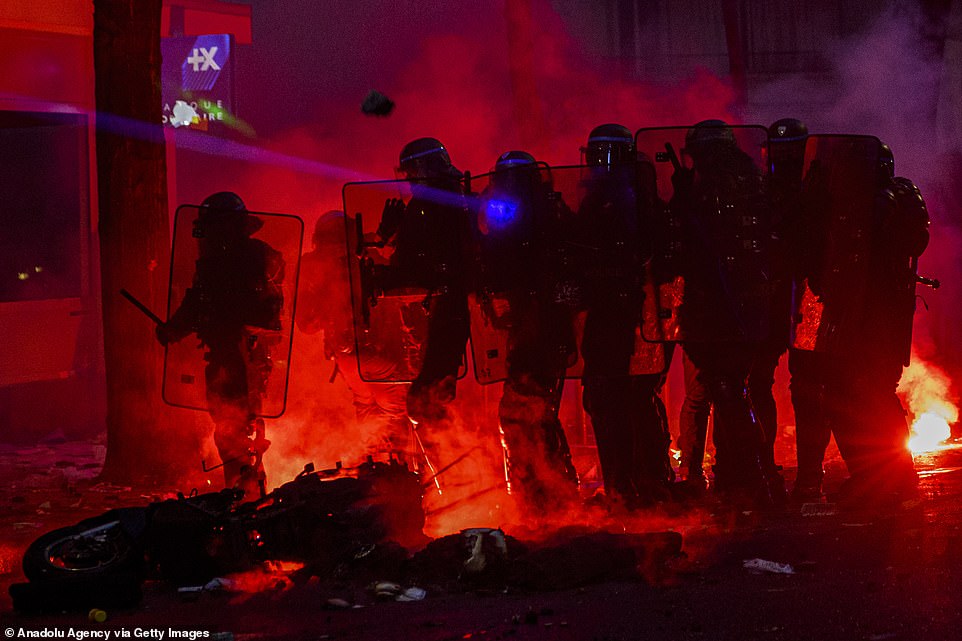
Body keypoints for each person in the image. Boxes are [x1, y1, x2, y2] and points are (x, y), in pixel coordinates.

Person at [793, 140, 928, 508]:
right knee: (872, 395)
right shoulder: (901, 197)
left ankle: (879, 478)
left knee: (858, 395)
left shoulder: (878, 202)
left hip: (868, 316)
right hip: (879, 316)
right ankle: (890, 476)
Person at [668, 120, 777, 506]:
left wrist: (682, 201)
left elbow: (689, 245)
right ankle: (746, 477)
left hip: (718, 308)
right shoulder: (757, 184)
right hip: (747, 308)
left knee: (726, 392)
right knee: (731, 390)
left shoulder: (711, 190)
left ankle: (753, 481)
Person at [156, 192, 284, 500]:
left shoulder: (255, 257)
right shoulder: (222, 263)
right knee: (231, 427)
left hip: (243, 357)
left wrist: (181, 326)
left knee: (233, 427)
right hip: (230, 358)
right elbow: (197, 303)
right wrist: (174, 329)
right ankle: (243, 492)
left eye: (214, 227)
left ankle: (244, 495)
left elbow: (261, 307)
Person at [475, 150, 579, 513]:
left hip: (533, 333)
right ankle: (559, 495)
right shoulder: (554, 211)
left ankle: (537, 502)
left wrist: (478, 227)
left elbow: (498, 264)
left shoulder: (513, 217)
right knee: (540, 414)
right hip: (550, 330)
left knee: (519, 415)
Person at [578, 124, 674, 509]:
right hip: (630, 316)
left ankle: (629, 487)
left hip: (624, 316)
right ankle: (641, 484)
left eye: (608, 155)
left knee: (614, 397)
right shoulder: (632, 198)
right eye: (596, 155)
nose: (601, 164)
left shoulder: (629, 199)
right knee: (627, 398)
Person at [372, 137, 472, 481]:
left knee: (423, 401)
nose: (410, 180)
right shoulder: (462, 199)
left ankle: (453, 480)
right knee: (434, 395)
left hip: (444, 310)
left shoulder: (426, 207)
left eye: (412, 172)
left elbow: (410, 269)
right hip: (451, 309)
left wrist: (382, 245)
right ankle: (454, 478)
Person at [296, 211, 410, 459]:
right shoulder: (362, 255)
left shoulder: (315, 264)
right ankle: (400, 473)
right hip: (373, 353)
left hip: (346, 357)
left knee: (367, 409)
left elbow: (306, 323)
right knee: (394, 412)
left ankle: (373, 470)